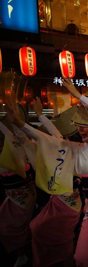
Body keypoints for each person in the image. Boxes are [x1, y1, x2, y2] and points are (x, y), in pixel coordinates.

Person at [7, 81, 88, 267]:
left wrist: (79, 95)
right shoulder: (75, 149)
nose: (80, 129)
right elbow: (45, 139)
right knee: (83, 257)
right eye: (78, 125)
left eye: (85, 125)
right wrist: (19, 123)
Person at [27, 98, 82, 267]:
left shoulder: (75, 149)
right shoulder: (64, 147)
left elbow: (55, 137)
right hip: (59, 200)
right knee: (40, 229)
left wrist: (36, 117)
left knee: (54, 233)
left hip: (71, 202)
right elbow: (55, 135)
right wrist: (39, 116)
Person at [0, 104, 36, 267]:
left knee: (11, 228)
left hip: (23, 196)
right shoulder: (12, 142)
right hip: (15, 195)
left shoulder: (18, 145)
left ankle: (22, 255)